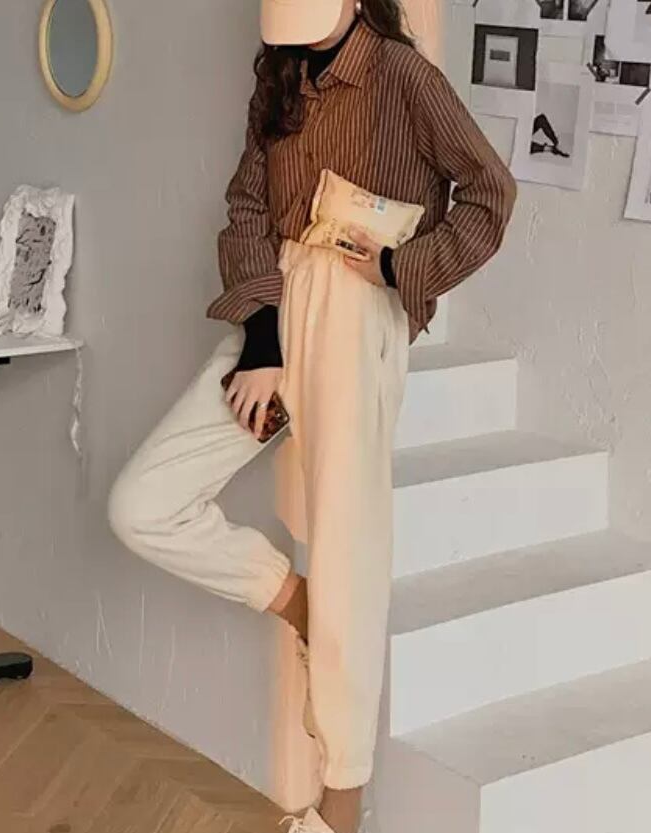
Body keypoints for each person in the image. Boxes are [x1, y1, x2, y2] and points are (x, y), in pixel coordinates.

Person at [107, 0, 517, 830]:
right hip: (280, 307)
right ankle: (296, 602)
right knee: (141, 503)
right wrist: (262, 343)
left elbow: (490, 191)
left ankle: (342, 799)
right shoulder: (282, 73)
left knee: (348, 546)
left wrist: (402, 267)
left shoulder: (402, 75)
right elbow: (247, 209)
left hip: (356, 315)